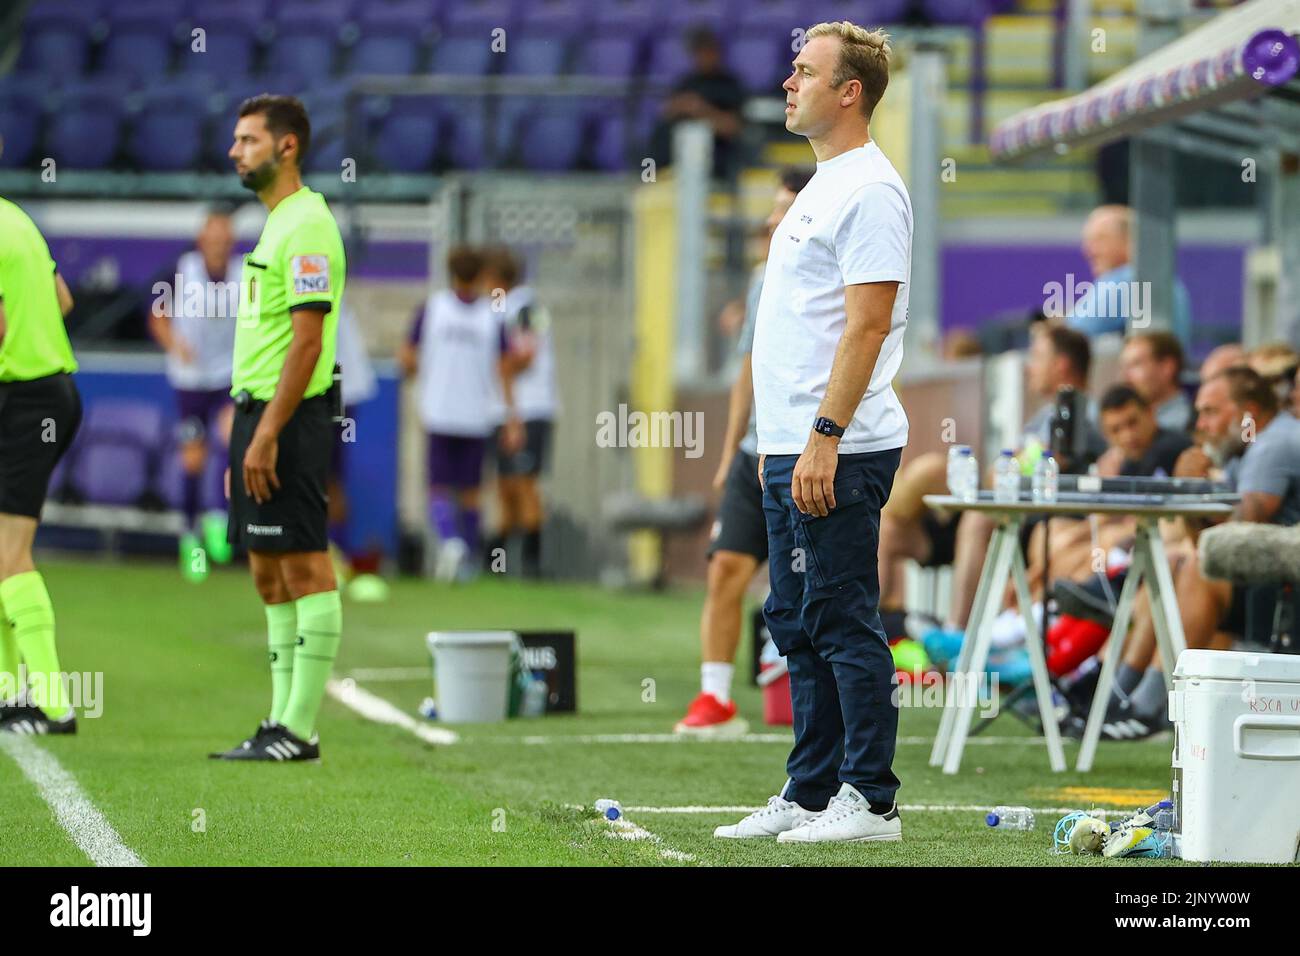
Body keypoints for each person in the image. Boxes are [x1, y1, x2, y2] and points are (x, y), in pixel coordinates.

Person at [715, 22, 910, 845]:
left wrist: (826, 433)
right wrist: (779, 439)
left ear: (849, 91)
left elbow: (866, 328)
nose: (788, 83)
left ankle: (871, 801)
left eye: (804, 71)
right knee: (793, 619)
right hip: (788, 441)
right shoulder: (820, 184)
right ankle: (809, 789)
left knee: (842, 617)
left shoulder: (871, 190)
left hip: (840, 443)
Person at [211, 95, 347, 762]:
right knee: (268, 573)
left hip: (288, 420)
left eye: (248, 140)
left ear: (286, 147)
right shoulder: (275, 225)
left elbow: (307, 345)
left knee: (305, 564)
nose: (235, 151)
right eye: (236, 141)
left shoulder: (309, 227)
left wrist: (267, 433)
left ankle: (298, 729)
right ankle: (279, 721)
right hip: (257, 414)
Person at [674, 166, 811, 736]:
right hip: (757, 449)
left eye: (782, 209)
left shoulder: (832, 276)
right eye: (771, 209)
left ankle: (813, 704)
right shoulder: (762, 279)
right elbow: (747, 368)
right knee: (726, 567)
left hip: (808, 453)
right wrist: (730, 450)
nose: (769, 220)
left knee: (803, 583)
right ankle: (716, 698)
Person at [0, 195, 82, 734]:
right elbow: (64, 300)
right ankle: (10, 696)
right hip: (46, 392)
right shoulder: (17, 220)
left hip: (25, 401)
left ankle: (54, 706)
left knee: (11, 556)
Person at [399, 247, 517, 582]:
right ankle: (466, 560)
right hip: (476, 415)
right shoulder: (492, 317)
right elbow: (504, 369)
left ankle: (451, 542)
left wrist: (420, 371)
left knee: (437, 486)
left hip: (438, 410)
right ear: (480, 275)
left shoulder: (433, 309)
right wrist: (511, 417)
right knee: (471, 491)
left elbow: (407, 356)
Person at [148, 207, 242, 582]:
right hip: (189, 381)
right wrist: (174, 343)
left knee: (229, 437)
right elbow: (157, 314)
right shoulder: (180, 270)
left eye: (224, 237)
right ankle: (191, 539)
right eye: (212, 237)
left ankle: (219, 516)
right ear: (202, 240)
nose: (218, 244)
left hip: (227, 375)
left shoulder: (245, 273)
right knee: (192, 459)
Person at [480, 246, 555, 580]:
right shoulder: (502, 309)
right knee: (506, 487)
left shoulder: (525, 307)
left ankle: (532, 566)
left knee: (524, 485)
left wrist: (513, 416)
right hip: (506, 411)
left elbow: (523, 357)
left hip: (527, 410)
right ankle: (496, 565)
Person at [1067, 205, 1192, 346]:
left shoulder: (1126, 279)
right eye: (1088, 242)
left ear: (1130, 241)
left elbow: (1067, 339)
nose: (1088, 251)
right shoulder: (1167, 280)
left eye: (1099, 239)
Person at [649, 26, 746, 180]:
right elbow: (664, 111)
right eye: (700, 52)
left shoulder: (730, 84)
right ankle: (655, 174)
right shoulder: (687, 82)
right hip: (679, 152)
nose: (705, 57)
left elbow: (734, 127)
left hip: (716, 158)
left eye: (708, 51)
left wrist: (701, 110)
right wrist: (680, 106)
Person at [1119, 331, 1192, 433]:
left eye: (1136, 364)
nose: (1125, 377)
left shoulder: (1183, 423)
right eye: (1125, 367)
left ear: (1167, 367)